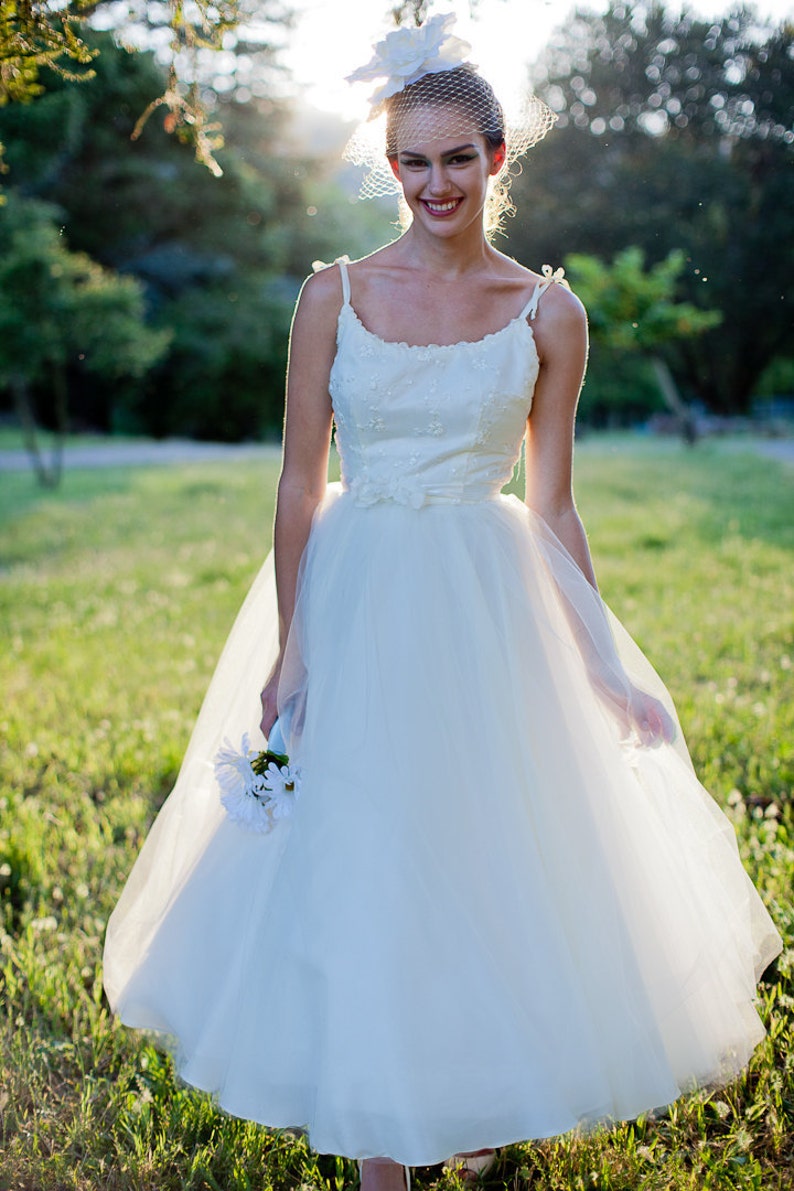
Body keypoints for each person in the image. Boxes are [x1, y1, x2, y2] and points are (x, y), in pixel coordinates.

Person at [103, 15, 783, 1191]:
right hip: (361, 590)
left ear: (495, 159)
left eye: (455, 159)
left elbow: (556, 507)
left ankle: (469, 1091)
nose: (432, 184)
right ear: (386, 163)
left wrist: (604, 666)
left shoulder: (546, 312)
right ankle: (383, 1144)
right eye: (410, 161)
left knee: (482, 852)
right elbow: (298, 482)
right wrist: (291, 647)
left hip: (489, 601)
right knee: (366, 850)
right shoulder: (332, 294)